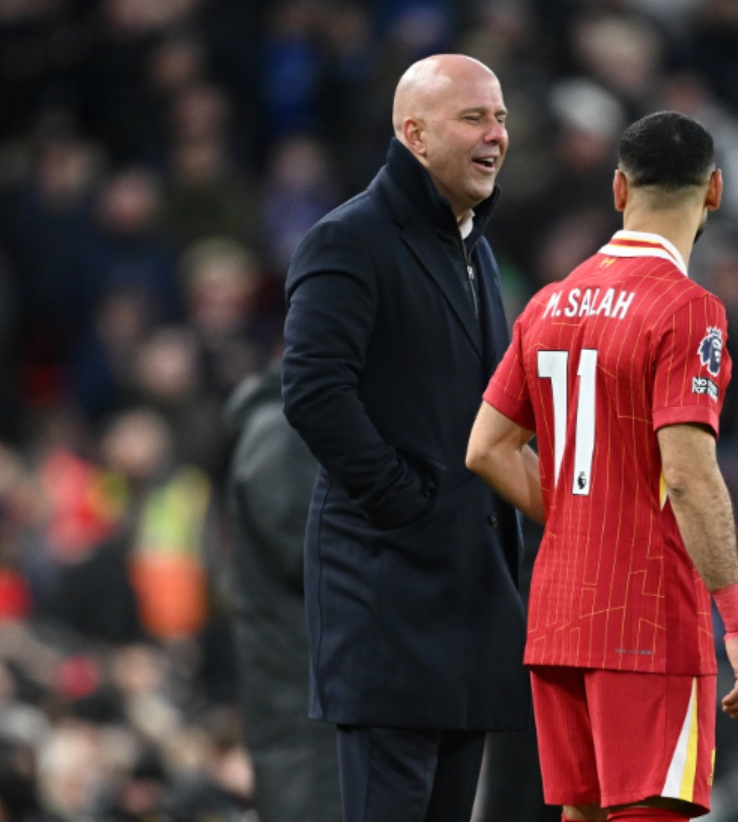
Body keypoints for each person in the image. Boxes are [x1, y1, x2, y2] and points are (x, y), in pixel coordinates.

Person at [466, 111, 738, 822]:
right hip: (646, 617)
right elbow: (691, 474)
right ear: (715, 192)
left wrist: (577, 518)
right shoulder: (686, 310)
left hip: (557, 617)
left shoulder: (549, 303)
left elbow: (485, 446)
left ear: (617, 189)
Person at [281, 54, 529, 822]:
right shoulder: (349, 238)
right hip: (388, 593)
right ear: (414, 135)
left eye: (501, 119)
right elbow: (314, 392)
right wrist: (405, 504)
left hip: (466, 599)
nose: (496, 136)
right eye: (474, 118)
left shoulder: (474, 248)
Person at [223, 363, 341, 822]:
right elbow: (306, 554)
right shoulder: (279, 433)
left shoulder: (283, 428)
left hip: (304, 701)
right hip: (301, 709)